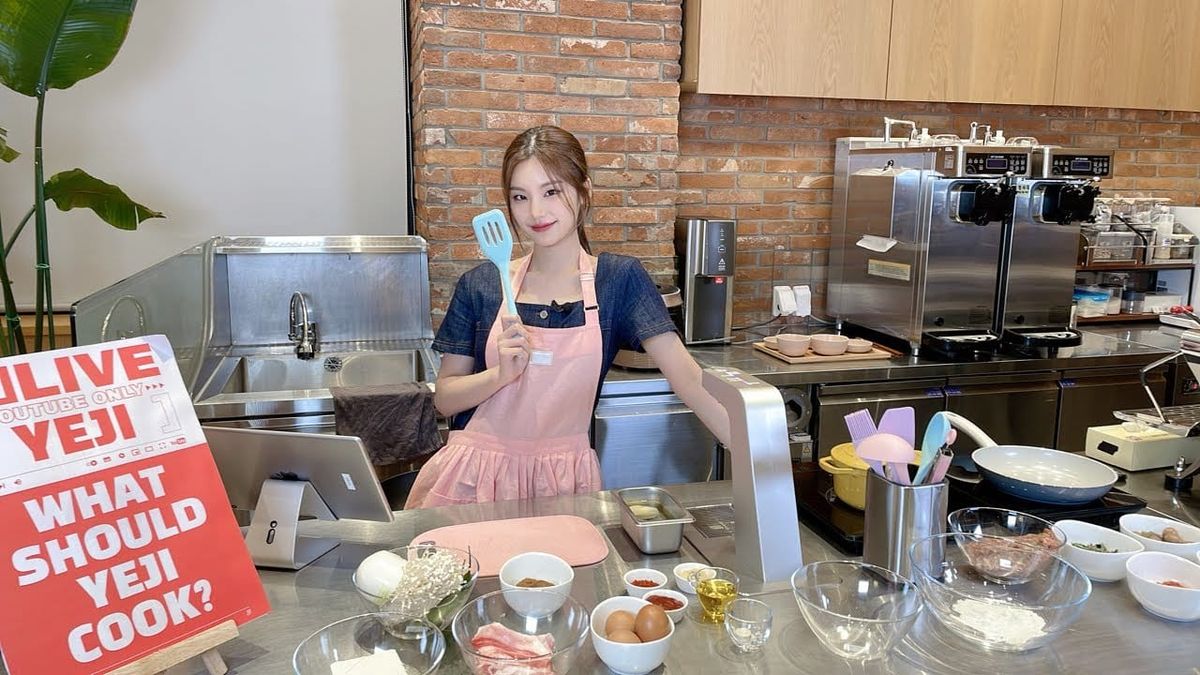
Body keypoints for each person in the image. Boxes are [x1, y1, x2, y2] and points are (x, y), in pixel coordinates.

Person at [405, 125, 731, 508]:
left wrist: (761, 456)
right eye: (520, 197)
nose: (536, 212)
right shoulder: (483, 285)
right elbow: (445, 399)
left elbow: (690, 381)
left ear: (584, 192)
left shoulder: (618, 280)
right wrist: (500, 375)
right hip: (473, 481)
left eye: (551, 192)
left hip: (563, 484)